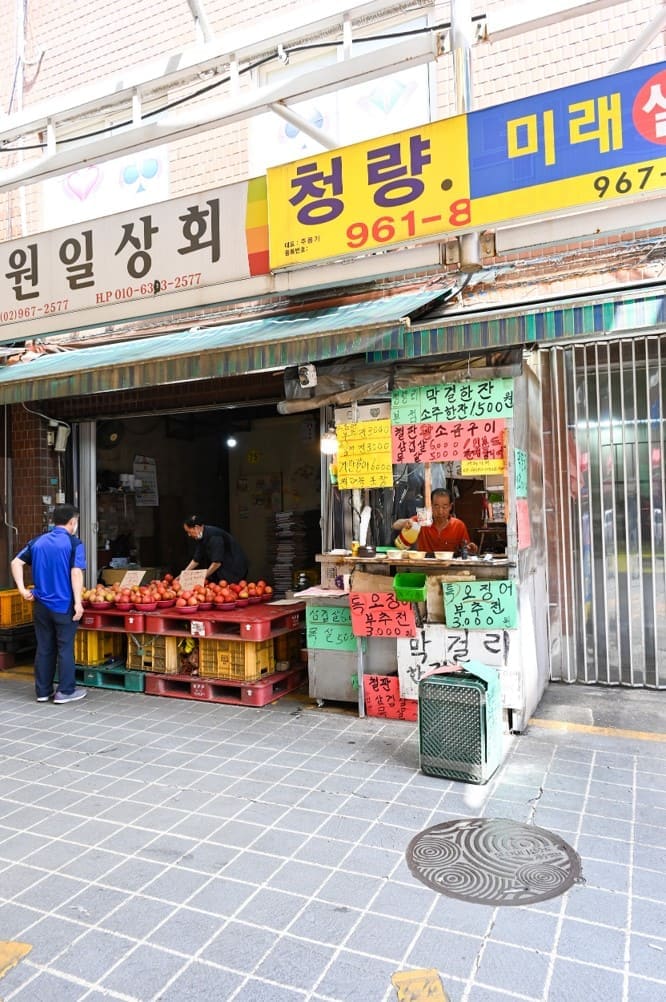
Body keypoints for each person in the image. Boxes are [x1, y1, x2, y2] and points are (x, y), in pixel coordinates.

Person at [10, 503, 87, 704]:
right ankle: (65, 691)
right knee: (64, 647)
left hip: (41, 604)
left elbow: (16, 562)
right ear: (73, 522)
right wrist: (78, 602)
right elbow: (76, 572)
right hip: (63, 605)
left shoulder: (38, 541)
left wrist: (22, 589)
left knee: (44, 647)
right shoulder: (74, 544)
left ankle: (43, 692)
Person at [392, 487, 478, 554]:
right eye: (436, 506)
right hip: (424, 566)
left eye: (444, 507)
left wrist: (470, 549)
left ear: (450, 507)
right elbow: (395, 525)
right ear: (431, 506)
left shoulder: (458, 525)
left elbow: (466, 548)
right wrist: (406, 522)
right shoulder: (424, 519)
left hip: (449, 568)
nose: (440, 511)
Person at [181, 514, 248, 583]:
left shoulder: (214, 536)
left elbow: (217, 563)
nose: (188, 535)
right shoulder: (200, 535)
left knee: (231, 589)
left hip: (234, 568)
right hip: (223, 568)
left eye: (189, 531)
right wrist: (183, 574)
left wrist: (201, 578)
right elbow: (196, 559)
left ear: (196, 527)